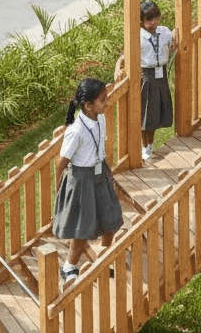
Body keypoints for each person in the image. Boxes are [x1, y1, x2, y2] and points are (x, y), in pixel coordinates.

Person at [53, 78, 123, 282]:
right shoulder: (76, 131)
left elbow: (100, 147)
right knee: (82, 228)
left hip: (99, 174)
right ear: (88, 106)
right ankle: (69, 267)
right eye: (103, 100)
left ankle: (104, 257)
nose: (107, 102)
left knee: (111, 220)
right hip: (82, 179)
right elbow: (61, 163)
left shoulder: (99, 118)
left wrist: (106, 170)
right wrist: (59, 189)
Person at [138, 0, 173, 160]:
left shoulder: (164, 32)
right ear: (141, 21)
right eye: (149, 19)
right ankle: (144, 147)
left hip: (161, 74)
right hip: (147, 75)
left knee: (158, 110)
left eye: (156, 18)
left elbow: (171, 46)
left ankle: (150, 146)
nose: (153, 22)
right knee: (146, 113)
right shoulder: (138, 36)